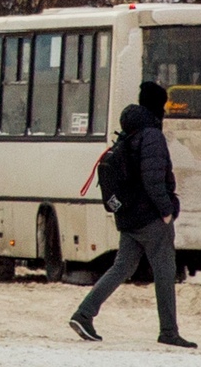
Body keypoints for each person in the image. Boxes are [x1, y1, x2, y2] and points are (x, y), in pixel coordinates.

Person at [69, 82, 193, 348]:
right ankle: (168, 331)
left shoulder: (131, 131)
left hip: (130, 216)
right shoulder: (151, 135)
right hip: (150, 218)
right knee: (164, 270)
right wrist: (167, 211)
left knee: (121, 267)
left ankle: (84, 314)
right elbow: (153, 180)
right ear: (158, 106)